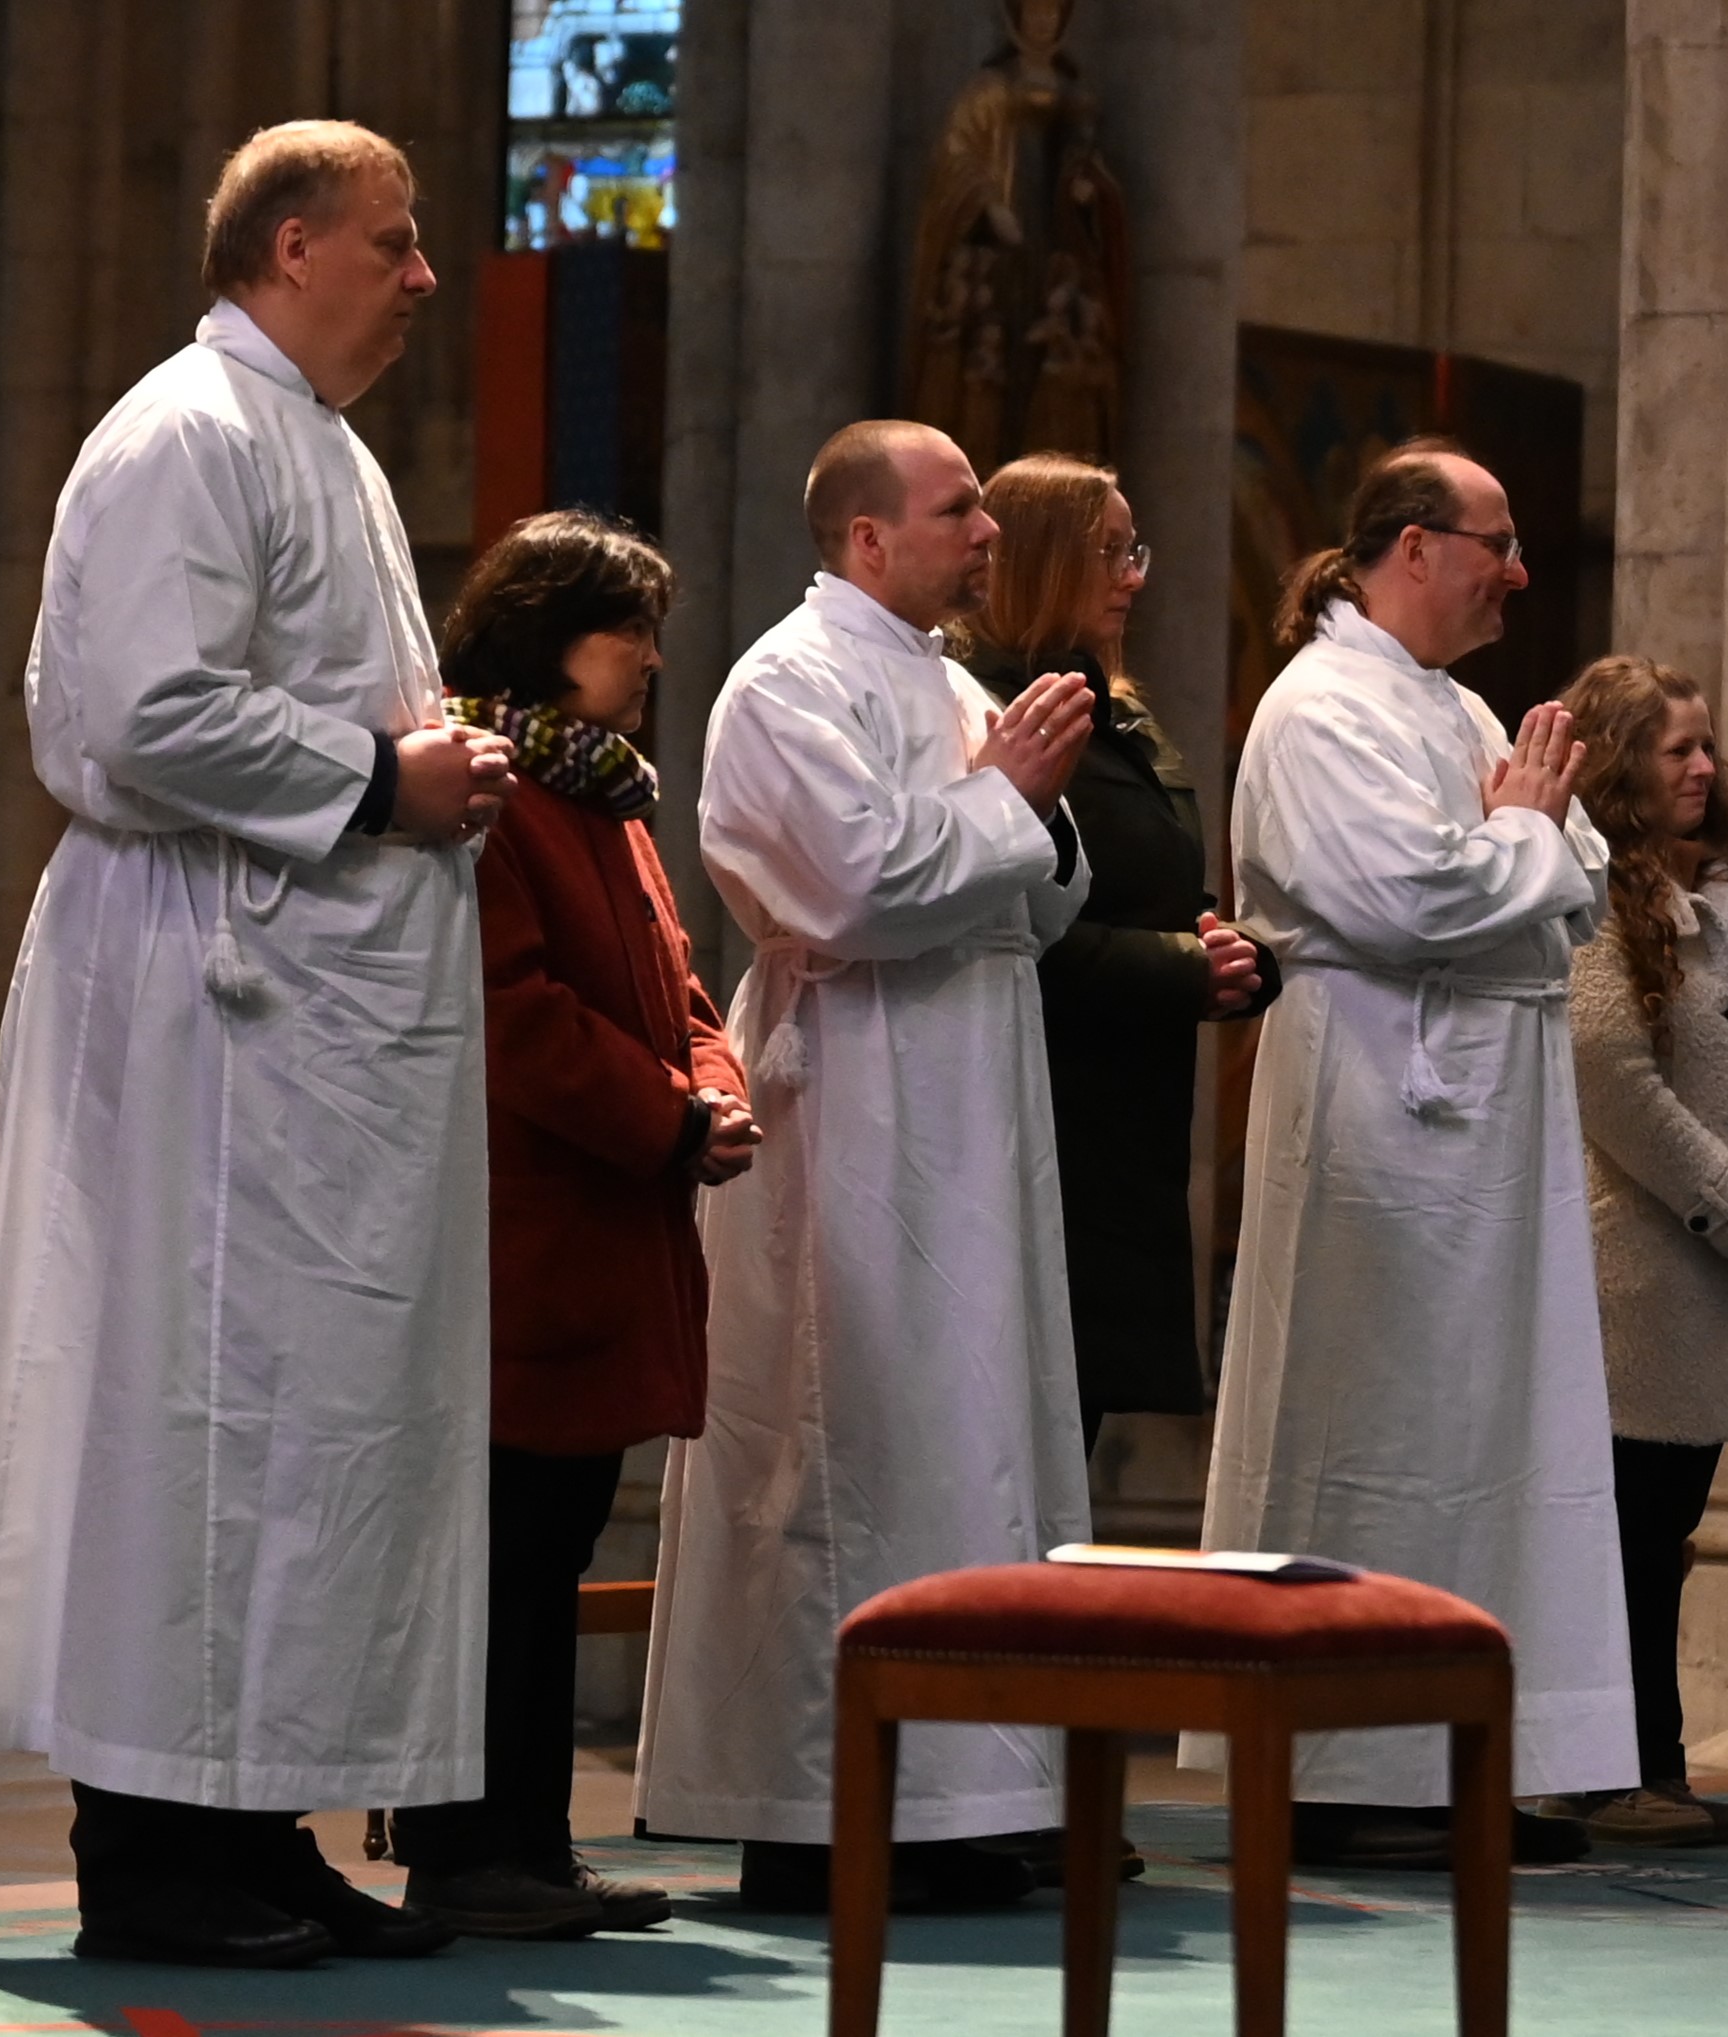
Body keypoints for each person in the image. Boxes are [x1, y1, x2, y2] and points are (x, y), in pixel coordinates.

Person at [0, 121, 509, 1968]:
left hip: (310, 1026)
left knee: (307, 1424)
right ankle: (156, 1855)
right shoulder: (186, 430)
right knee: (200, 1411)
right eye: (394, 242)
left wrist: (428, 765)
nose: (424, 276)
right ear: (290, 246)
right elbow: (141, 710)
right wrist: (383, 778)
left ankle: (262, 1830)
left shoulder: (317, 442)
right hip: (213, 1002)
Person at [633, 420, 1095, 1914]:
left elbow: (1035, 899)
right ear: (867, 538)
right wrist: (1006, 801)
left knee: (979, 1433)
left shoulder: (950, 682)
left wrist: (1027, 810)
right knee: (856, 1435)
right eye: (959, 510)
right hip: (860, 1092)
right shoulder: (788, 681)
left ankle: (971, 1796)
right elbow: (856, 885)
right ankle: (825, 1808)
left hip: (975, 1085)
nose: (987, 533)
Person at [1190, 438, 1633, 1867]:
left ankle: (1459, 1755)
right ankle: (1349, 1767)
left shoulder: (1453, 703)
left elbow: (1580, 881)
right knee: (1379, 1423)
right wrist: (1523, 838)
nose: (1520, 574)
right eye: (1498, 544)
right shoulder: (1321, 707)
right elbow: (1412, 899)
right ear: (1415, 546)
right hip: (1385, 1104)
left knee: (1486, 1430)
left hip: (1480, 1110)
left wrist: (1523, 841)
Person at [382, 513, 755, 1939]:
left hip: (609, 1219)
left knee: (554, 1544)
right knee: (505, 1561)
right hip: (528, 1229)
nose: (652, 657)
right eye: (628, 630)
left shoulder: (605, 799)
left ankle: (532, 1846)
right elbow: (514, 1012)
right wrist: (668, 1117)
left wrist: (712, 1088)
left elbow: (679, 983)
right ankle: (467, 1850)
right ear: (547, 635)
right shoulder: (491, 794)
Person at [1547, 654, 1728, 1850]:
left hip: (1707, 1263)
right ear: (1620, 767)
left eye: (1708, 745)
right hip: (1634, 1268)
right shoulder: (1596, 902)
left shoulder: (1713, 894)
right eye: (1677, 749)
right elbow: (1610, 1078)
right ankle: (1611, 1770)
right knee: (1625, 1536)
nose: (1705, 767)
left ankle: (1650, 1763)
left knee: (1665, 1532)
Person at [949, 455, 1273, 1451]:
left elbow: (1155, 879)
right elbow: (996, 924)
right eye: (1110, 552)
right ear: (1041, 560)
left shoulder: (1113, 708)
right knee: (1016, 1430)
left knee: (1069, 1432)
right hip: (1045, 1102)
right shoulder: (980, 708)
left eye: (1136, 551)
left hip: (1129, 1110)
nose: (1134, 575)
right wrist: (1180, 968)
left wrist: (1218, 941)